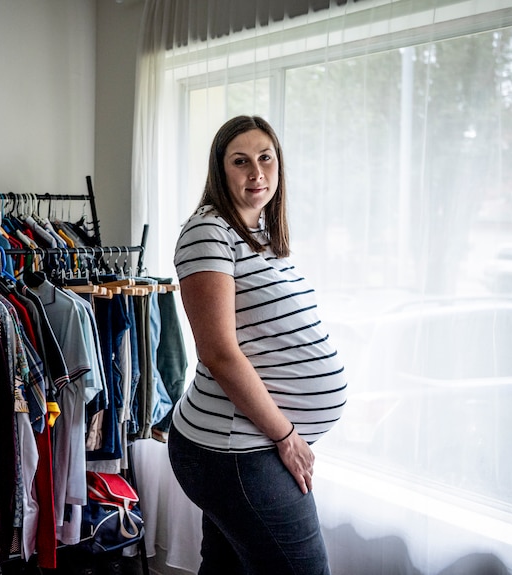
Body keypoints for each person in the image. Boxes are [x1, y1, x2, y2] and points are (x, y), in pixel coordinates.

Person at [168, 115, 348, 575]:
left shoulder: (260, 236)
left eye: (266, 158)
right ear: (220, 170)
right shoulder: (208, 232)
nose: (257, 172)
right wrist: (287, 437)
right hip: (236, 449)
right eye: (241, 161)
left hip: (246, 447)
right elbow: (218, 353)